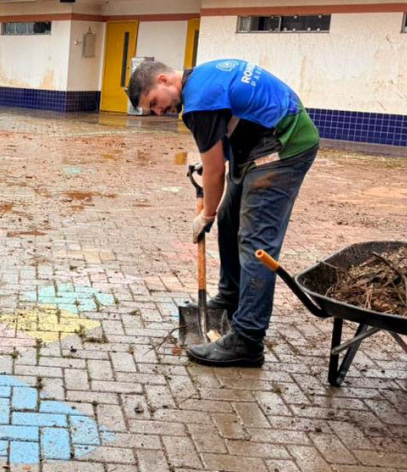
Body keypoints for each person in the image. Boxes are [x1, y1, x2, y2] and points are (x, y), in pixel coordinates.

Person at [127, 59, 319, 367]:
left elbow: (215, 174)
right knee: (230, 221)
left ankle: (248, 340)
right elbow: (234, 123)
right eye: (153, 111)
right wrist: (215, 178)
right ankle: (231, 298)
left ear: (163, 80)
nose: (159, 112)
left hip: (284, 149)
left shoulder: (198, 104)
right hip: (260, 144)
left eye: (154, 103)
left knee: (256, 243)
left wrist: (206, 215)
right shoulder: (203, 77)